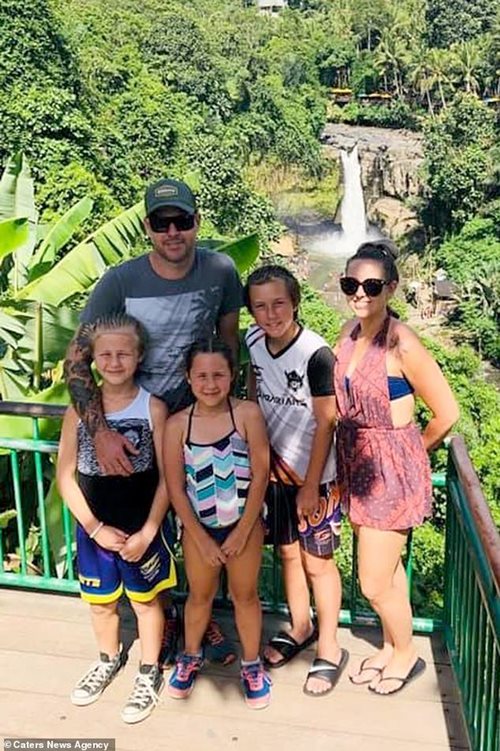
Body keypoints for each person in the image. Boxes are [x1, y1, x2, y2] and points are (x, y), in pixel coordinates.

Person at [64, 177, 242, 665]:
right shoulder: (119, 282)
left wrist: (230, 412)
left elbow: (228, 344)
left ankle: (197, 616)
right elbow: (76, 361)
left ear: (196, 222)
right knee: (151, 525)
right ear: (147, 228)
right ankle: (163, 619)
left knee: (201, 524)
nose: (172, 232)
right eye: (161, 224)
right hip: (136, 429)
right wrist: (100, 432)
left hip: (195, 426)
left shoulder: (221, 270)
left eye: (181, 221)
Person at [334, 241, 459, 696]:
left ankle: (407, 654)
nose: (360, 293)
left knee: (371, 581)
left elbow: (447, 413)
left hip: (389, 471)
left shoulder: (402, 342)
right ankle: (390, 646)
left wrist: (411, 455)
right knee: (387, 574)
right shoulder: (348, 332)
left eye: (371, 286)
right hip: (355, 464)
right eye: (351, 283)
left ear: (391, 288)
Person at [57, 314, 176, 723]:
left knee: (146, 602)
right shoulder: (78, 413)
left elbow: (168, 478)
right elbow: (65, 476)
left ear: (139, 356)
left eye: (123, 353)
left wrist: (149, 530)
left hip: (142, 526)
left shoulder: (153, 408)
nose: (113, 362)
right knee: (100, 604)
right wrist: (93, 528)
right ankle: (107, 659)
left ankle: (148, 671)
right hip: (95, 528)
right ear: (92, 359)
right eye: (104, 354)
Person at [244, 265, 347, 697]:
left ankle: (330, 646)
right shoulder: (253, 341)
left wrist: (310, 485)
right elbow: (254, 390)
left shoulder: (315, 354)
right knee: (287, 553)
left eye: (279, 304)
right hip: (275, 471)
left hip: (315, 476)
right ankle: (300, 625)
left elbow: (327, 422)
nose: (271, 314)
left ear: (295, 302)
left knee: (318, 563)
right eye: (260, 306)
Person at [163, 339, 271, 708]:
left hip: (245, 525)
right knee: (199, 596)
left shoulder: (247, 415)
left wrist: (242, 531)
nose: (210, 384)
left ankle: (252, 664)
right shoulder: (178, 424)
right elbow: (176, 487)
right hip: (199, 529)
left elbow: (260, 474)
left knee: (245, 596)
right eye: (202, 376)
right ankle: (190, 655)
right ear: (188, 377)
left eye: (219, 375)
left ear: (232, 375)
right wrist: (201, 539)